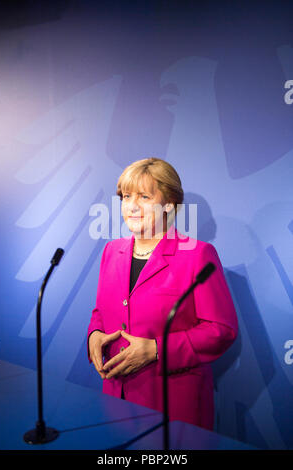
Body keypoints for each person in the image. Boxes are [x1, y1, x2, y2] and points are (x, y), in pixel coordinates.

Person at [87, 157, 238, 430]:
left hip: (172, 405)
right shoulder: (112, 251)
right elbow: (101, 312)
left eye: (144, 196)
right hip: (115, 400)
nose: (131, 206)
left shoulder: (198, 254)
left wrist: (156, 349)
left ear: (169, 203)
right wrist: (94, 335)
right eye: (126, 196)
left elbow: (221, 330)